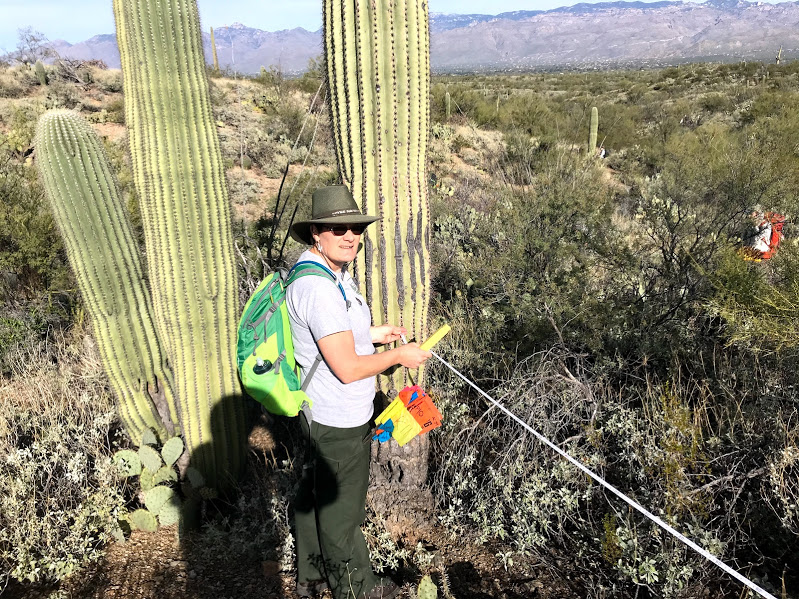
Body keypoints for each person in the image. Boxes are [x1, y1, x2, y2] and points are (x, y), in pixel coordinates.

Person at [287, 185, 431, 599]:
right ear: (317, 232)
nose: (350, 236)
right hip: (338, 417)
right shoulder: (317, 288)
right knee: (341, 513)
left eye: (355, 227)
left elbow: (332, 337)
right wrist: (397, 356)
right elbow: (348, 368)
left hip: (323, 413)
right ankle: (357, 590)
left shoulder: (328, 274)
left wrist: (374, 334)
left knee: (316, 496)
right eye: (338, 229)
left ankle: (311, 578)